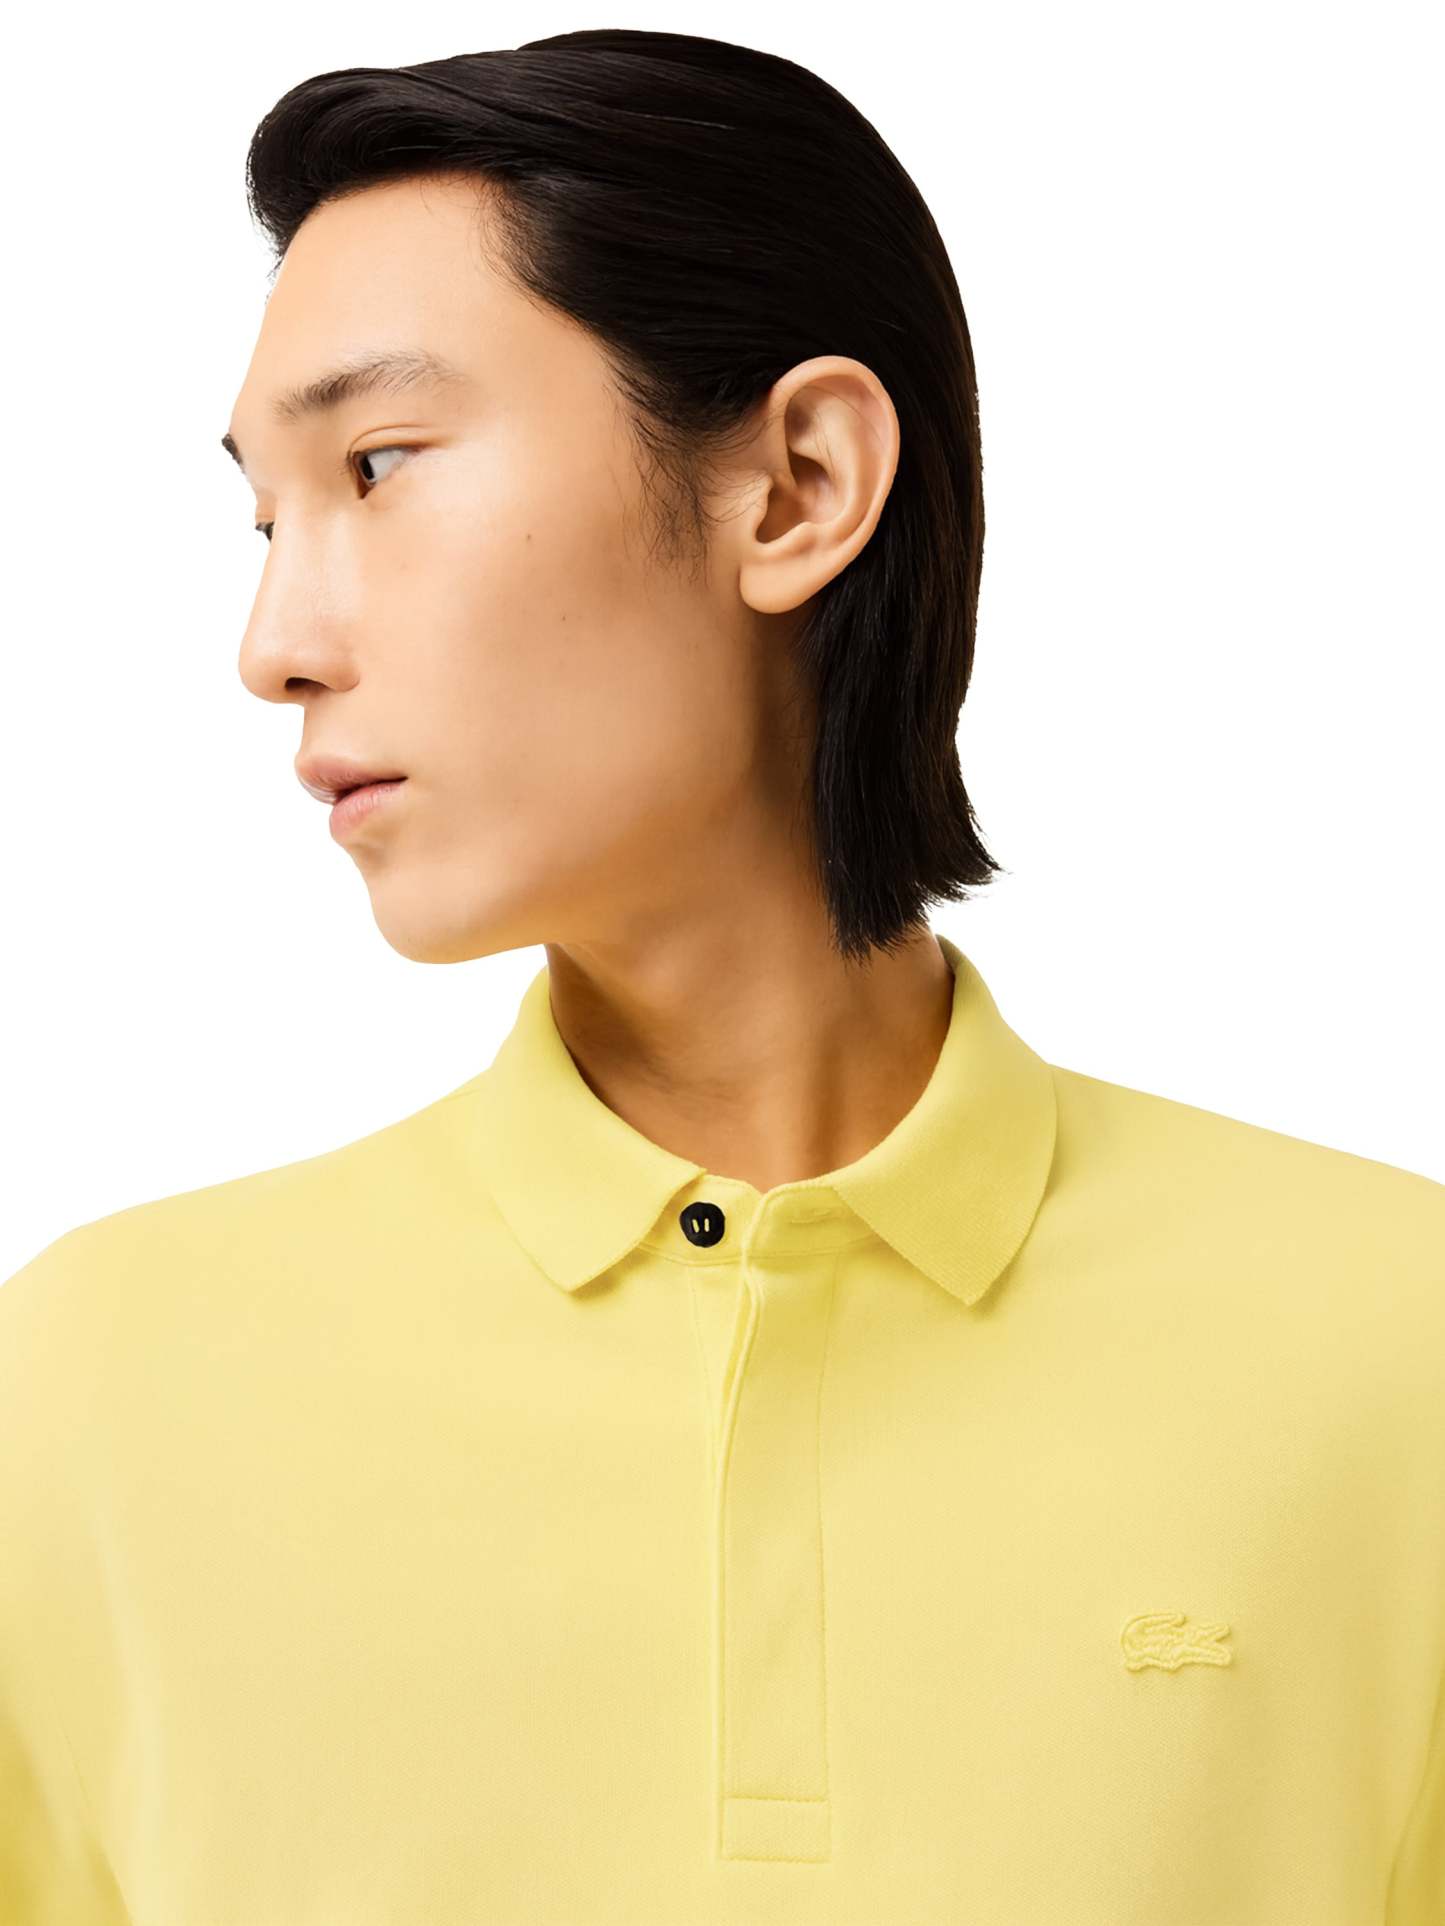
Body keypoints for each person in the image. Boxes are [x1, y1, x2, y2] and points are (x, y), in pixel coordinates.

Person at [2, 28, 1441, 1926]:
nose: (273, 642)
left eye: (377, 463)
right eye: (268, 519)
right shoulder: (92, 1389)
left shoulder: (1396, 1347)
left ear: (796, 485)